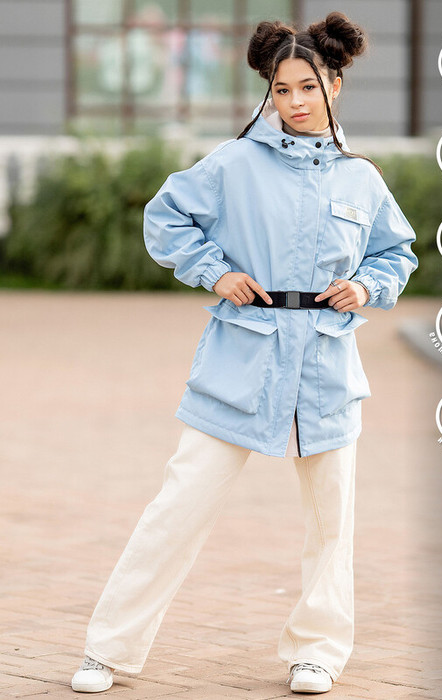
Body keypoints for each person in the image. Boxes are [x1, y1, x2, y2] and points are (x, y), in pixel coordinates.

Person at [71, 11, 418, 695]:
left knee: (332, 523)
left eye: (307, 87)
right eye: (281, 89)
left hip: (325, 368)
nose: (294, 101)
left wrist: (366, 286)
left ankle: (317, 652)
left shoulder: (361, 179)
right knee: (178, 507)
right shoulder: (233, 163)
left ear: (334, 85)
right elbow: (165, 217)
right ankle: (108, 650)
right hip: (241, 360)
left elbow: (395, 252)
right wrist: (214, 271)